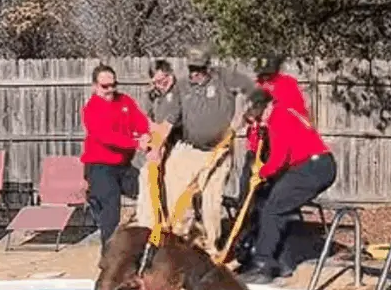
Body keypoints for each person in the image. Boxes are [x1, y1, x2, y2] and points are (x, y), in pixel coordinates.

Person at [147, 45, 259, 255]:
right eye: (192, 68)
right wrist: (156, 147)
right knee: (177, 198)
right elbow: (169, 121)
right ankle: (181, 242)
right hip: (190, 150)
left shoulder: (224, 78)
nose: (195, 73)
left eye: (199, 68)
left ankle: (210, 249)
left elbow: (254, 90)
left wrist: (245, 116)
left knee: (211, 202)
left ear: (208, 66)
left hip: (218, 152)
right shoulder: (182, 86)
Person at [237, 89, 337, 285]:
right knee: (275, 205)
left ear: (267, 107)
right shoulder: (283, 112)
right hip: (311, 165)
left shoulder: (279, 118)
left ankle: (263, 265)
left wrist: (262, 173)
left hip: (313, 167)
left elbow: (279, 158)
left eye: (260, 117)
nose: (260, 123)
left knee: (272, 209)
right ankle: (282, 260)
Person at [235, 54, 311, 262]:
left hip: (277, 149)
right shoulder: (257, 86)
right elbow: (250, 112)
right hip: (256, 149)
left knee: (272, 199)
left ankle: (271, 247)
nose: (264, 79)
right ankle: (245, 241)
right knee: (247, 197)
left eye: (268, 75)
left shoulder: (287, 86)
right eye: (262, 75)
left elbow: (293, 112)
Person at [80, 63, 151, 252]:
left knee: (150, 191)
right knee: (111, 214)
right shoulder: (91, 109)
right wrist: (135, 143)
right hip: (100, 167)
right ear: (95, 86)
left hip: (123, 166)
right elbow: (107, 137)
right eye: (105, 86)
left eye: (113, 85)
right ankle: (110, 258)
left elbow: (140, 121)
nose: (110, 90)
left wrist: (145, 134)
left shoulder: (124, 101)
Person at [134, 59, 179, 229]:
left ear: (170, 75)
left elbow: (168, 125)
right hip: (160, 142)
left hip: (180, 143)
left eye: (163, 80)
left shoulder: (180, 93)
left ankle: (179, 227)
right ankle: (148, 225)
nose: (160, 85)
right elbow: (145, 120)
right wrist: (146, 136)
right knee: (146, 176)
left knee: (174, 179)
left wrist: (157, 147)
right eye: (156, 82)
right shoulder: (152, 95)